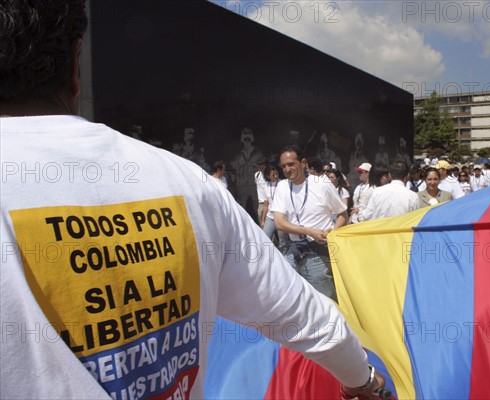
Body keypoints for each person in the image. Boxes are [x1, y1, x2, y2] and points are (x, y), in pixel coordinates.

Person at [0, 2, 384, 398]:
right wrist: (363, 381)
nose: (283, 170)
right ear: (76, 63)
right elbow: (305, 317)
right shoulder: (186, 183)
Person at [271, 146, 348, 300]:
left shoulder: (322, 185)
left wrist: (331, 233)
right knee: (292, 298)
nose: (287, 169)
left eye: (291, 164)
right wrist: (309, 231)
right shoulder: (282, 186)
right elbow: (279, 223)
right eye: (283, 166)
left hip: (318, 252)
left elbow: (342, 215)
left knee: (325, 300)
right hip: (294, 251)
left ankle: (332, 324)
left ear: (303, 163)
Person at [259, 165, 288, 249]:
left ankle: (284, 258)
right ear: (268, 176)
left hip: (281, 216)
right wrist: (263, 220)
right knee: (265, 238)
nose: (275, 176)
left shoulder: (283, 183)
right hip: (270, 216)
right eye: (273, 175)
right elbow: (266, 204)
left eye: (276, 174)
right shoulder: (266, 186)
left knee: (283, 242)